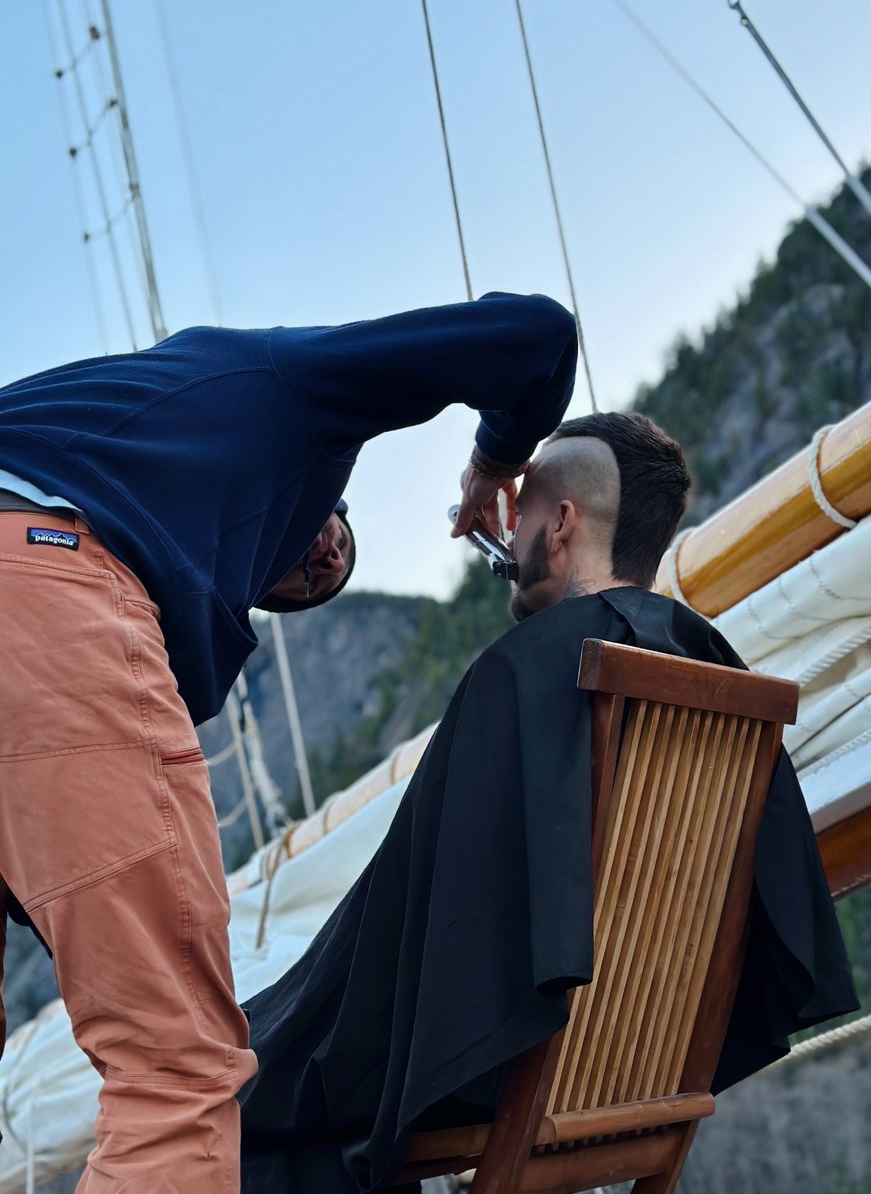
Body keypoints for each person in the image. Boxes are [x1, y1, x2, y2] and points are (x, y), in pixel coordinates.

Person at [0, 291, 578, 1193]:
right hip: (38, 578)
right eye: (327, 548)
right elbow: (537, 335)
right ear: (317, 494)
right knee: (174, 1073)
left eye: (303, 589)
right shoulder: (289, 390)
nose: (321, 568)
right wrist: (495, 462)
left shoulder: (117, 436)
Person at [238, 411, 859, 1194]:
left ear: (561, 524)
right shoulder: (717, 670)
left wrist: (254, 1040)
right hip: (636, 1074)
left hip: (494, 1071)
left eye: (523, 510)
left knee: (236, 1107)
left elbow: (400, 947)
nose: (510, 530)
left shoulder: (521, 674)